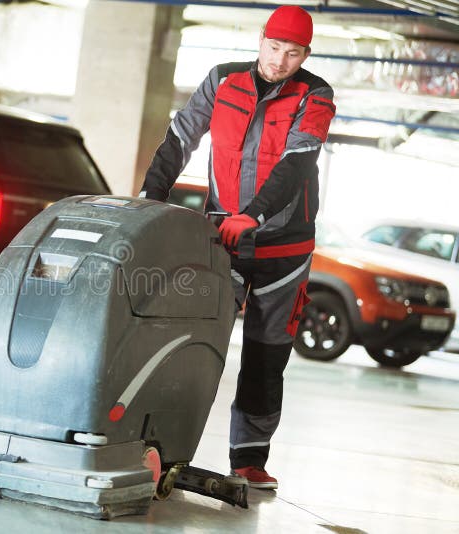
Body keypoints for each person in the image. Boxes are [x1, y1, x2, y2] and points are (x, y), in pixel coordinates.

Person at [139, 5, 335, 490]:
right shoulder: (223, 80)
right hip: (222, 242)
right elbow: (181, 136)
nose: (279, 61)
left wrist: (256, 215)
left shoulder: (316, 94)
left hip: (284, 251)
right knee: (189, 346)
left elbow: (296, 163)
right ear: (260, 40)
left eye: (293, 53)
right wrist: (151, 197)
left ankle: (248, 459)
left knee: (267, 356)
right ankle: (158, 446)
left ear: (305, 54)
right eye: (273, 48)